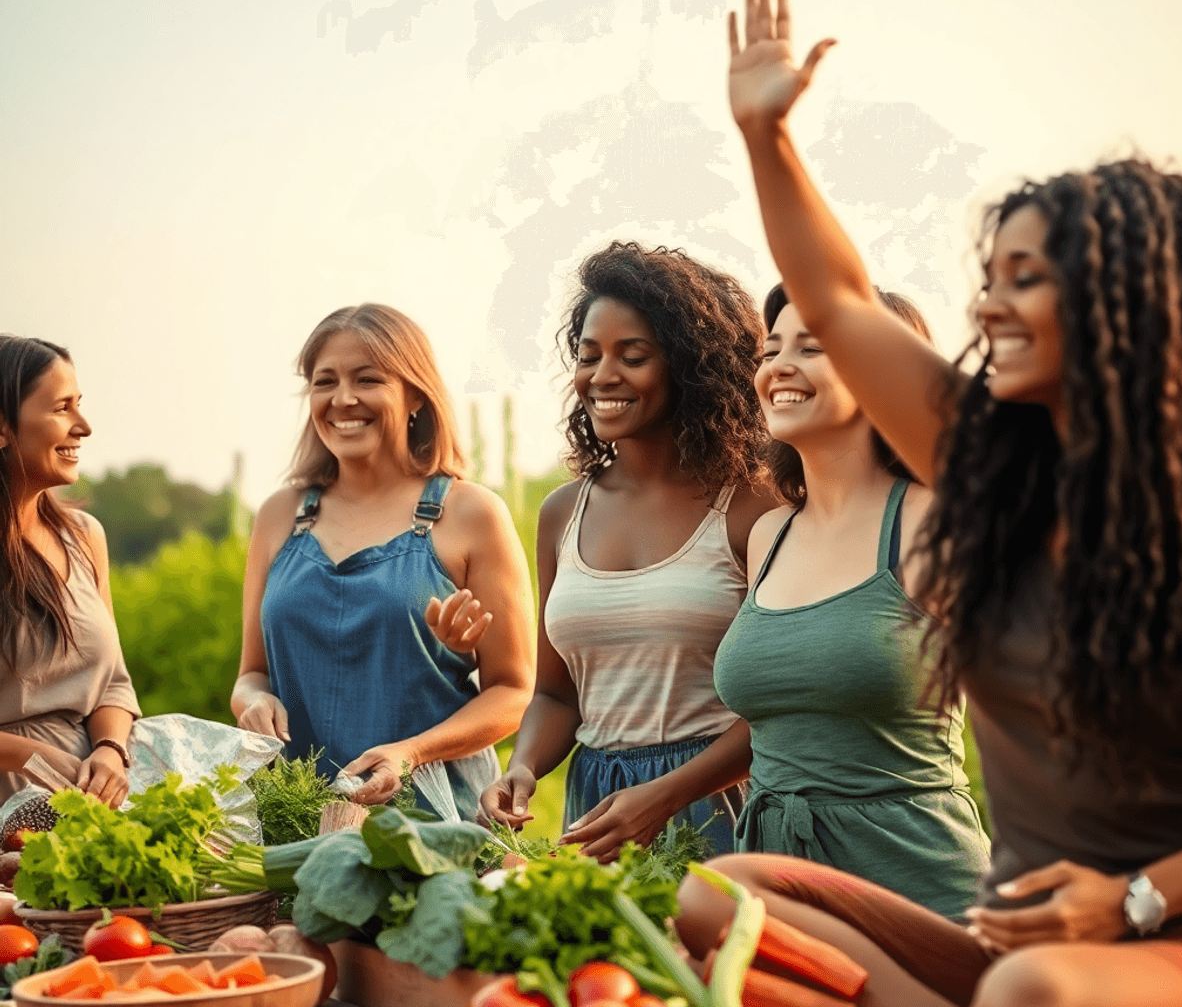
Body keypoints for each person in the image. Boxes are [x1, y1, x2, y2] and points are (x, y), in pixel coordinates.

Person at [676, 0, 1182, 1007]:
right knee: (725, 898)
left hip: (1160, 942)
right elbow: (840, 295)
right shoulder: (985, 472)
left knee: (1040, 996)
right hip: (1012, 931)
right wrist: (766, 136)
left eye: (1029, 279)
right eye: (992, 274)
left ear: (1129, 304)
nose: (989, 304)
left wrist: (1134, 898)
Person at [480, 242, 777, 856]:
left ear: (691, 366)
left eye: (632, 355)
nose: (602, 375)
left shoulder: (753, 505)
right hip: (599, 806)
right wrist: (522, 767)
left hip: (722, 803)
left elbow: (783, 707)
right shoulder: (563, 512)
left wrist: (667, 795)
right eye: (589, 356)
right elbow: (557, 695)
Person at [710, 283, 989, 918]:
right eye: (771, 348)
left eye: (812, 348)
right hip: (781, 897)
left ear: (881, 373)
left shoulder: (934, 523)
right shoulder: (769, 535)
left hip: (921, 894)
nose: (778, 366)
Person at [232, 303, 535, 815]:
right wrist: (253, 703)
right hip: (296, 819)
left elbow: (514, 691)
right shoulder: (280, 515)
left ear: (415, 394)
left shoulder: (471, 513)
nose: (342, 399)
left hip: (435, 819)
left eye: (367, 379)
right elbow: (251, 675)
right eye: (324, 382)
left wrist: (410, 753)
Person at [0, 336, 139, 808]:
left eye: (80, 406)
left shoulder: (83, 536)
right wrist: (34, 757)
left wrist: (110, 749)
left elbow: (113, 682)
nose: (84, 426)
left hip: (85, 806)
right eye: (62, 408)